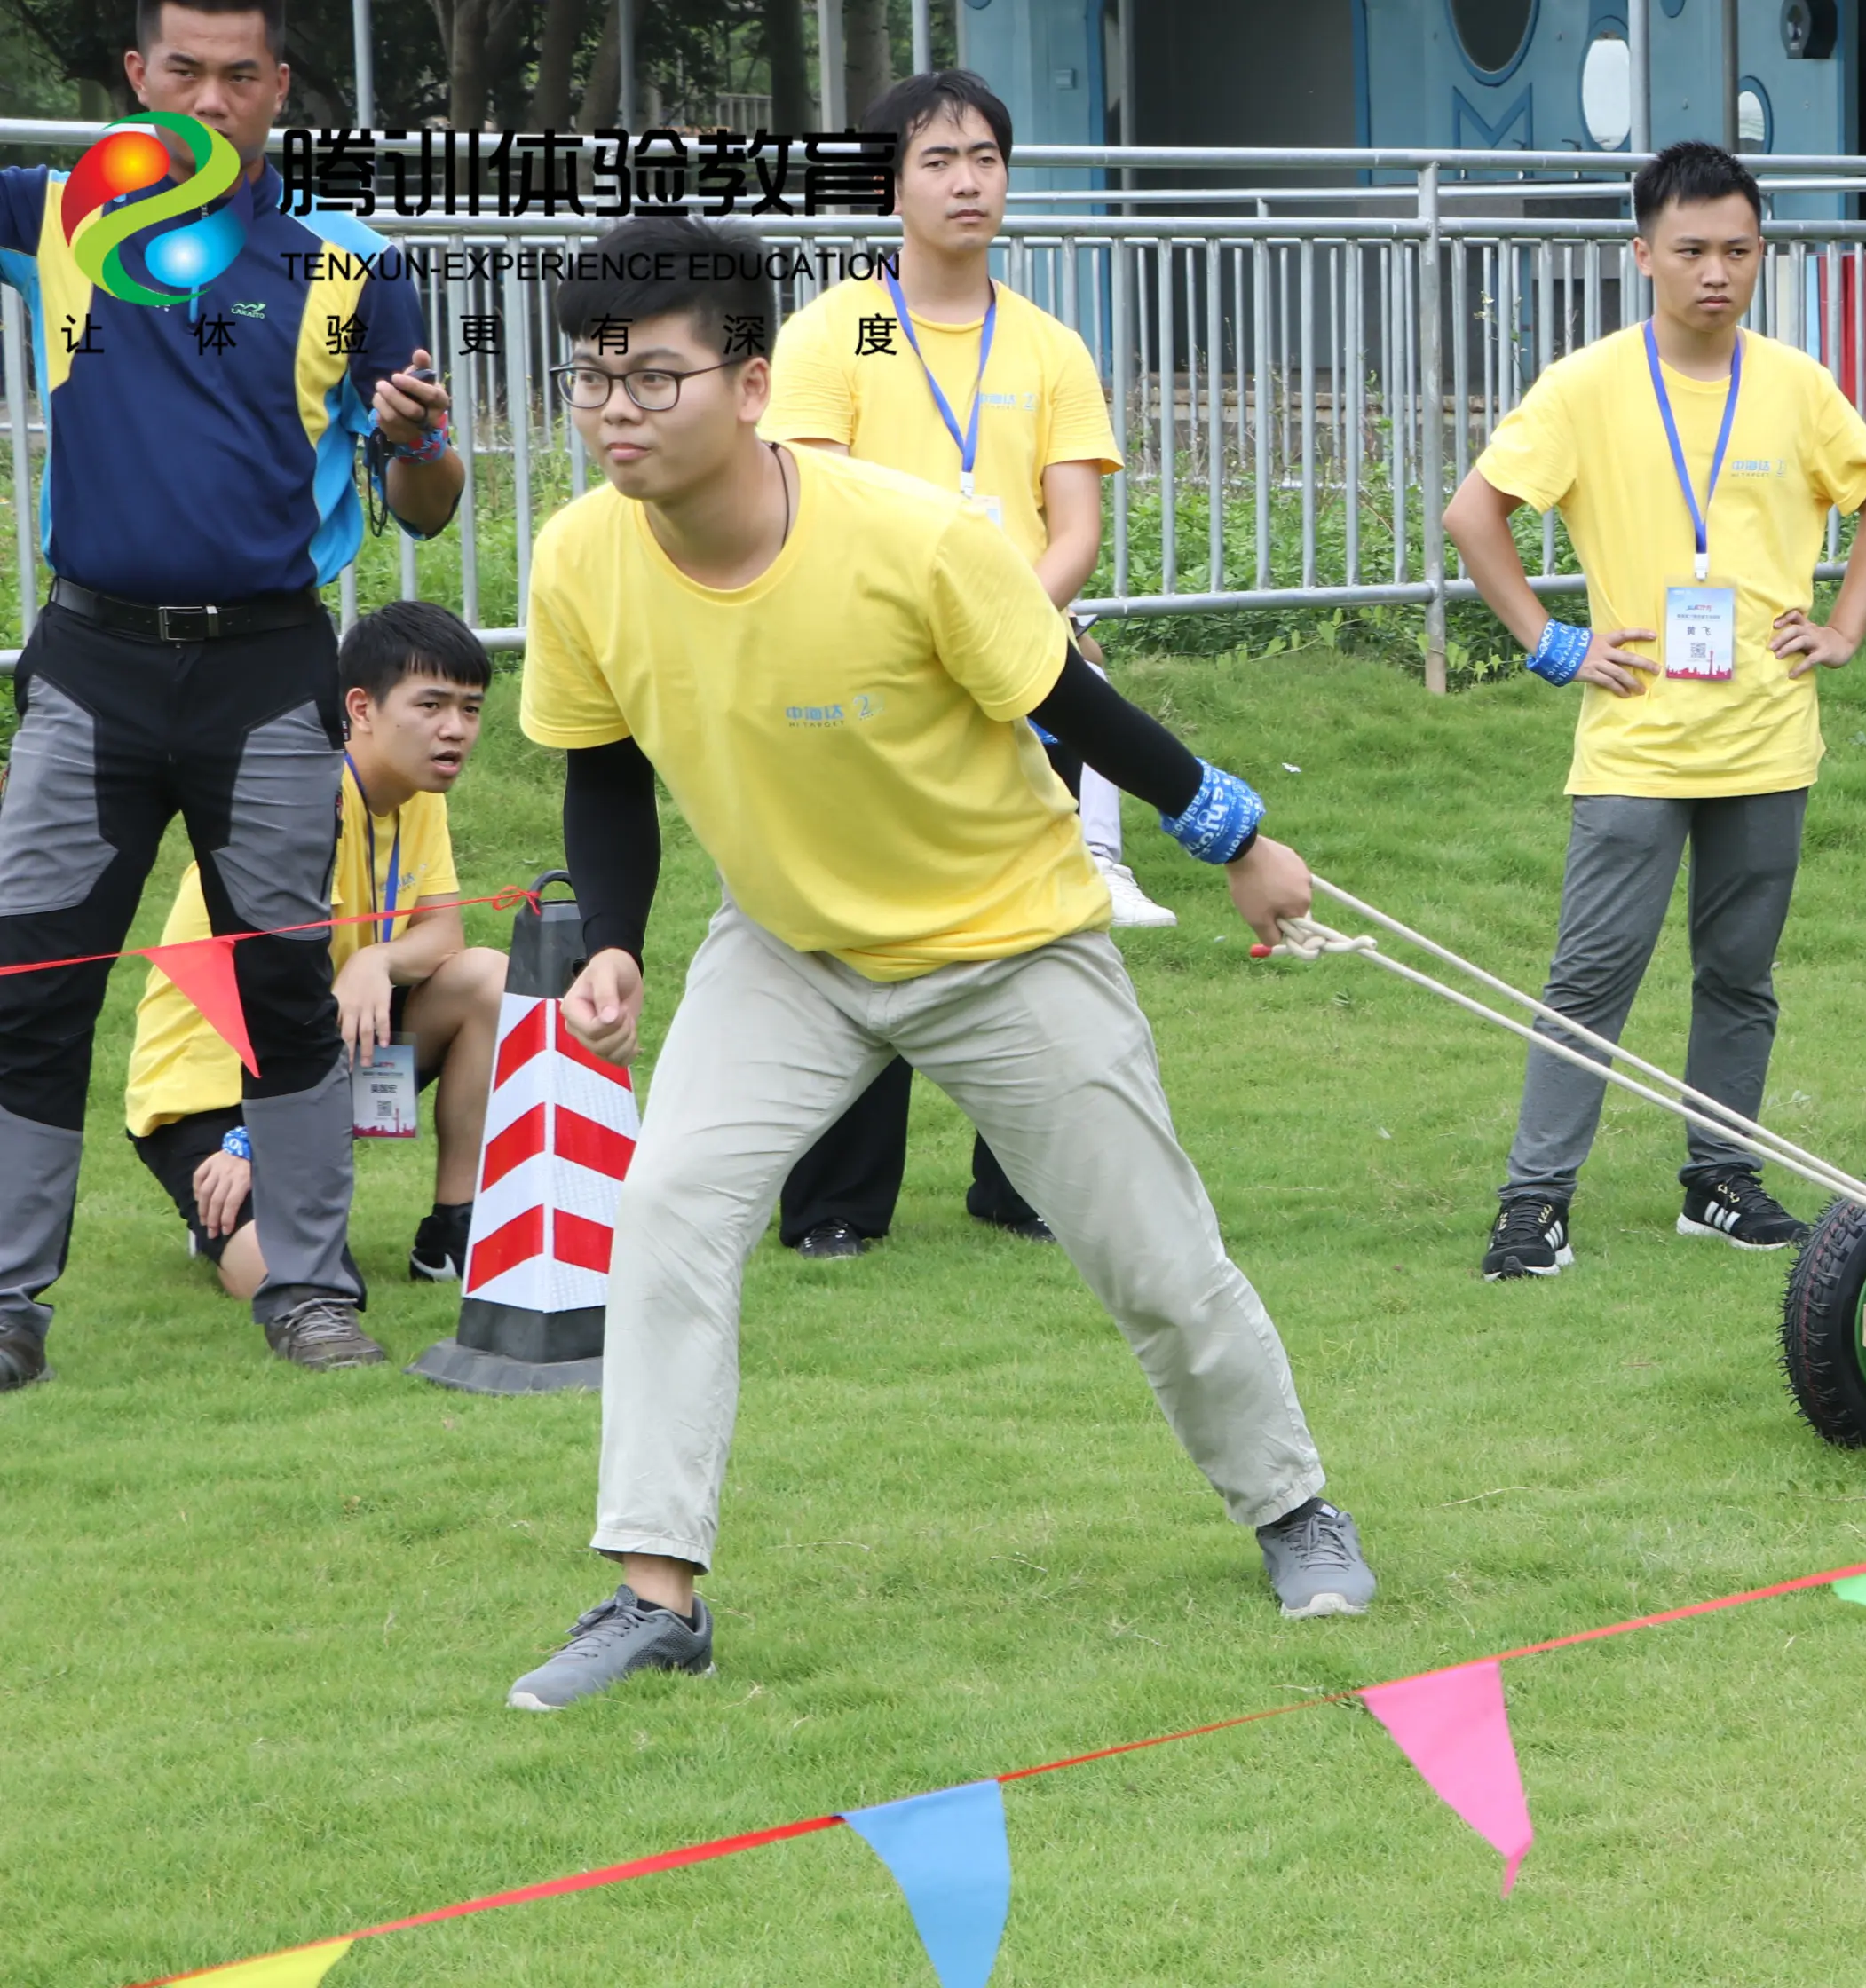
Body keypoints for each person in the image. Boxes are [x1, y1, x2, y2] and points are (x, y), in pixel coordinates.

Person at [502, 217, 1372, 1712]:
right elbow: (599, 769)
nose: (618, 414)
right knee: (666, 1206)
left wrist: (1235, 836)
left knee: (1154, 1260)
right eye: (592, 382)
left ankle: (1296, 1513)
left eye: (654, 377)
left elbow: (1070, 705)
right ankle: (656, 1597)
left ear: (752, 382)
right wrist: (614, 944)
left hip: (1003, 941)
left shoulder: (914, 538)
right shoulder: (580, 556)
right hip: (787, 946)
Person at [0, 0, 464, 1387]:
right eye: (182, 71)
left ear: (280, 88)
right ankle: (11, 1301)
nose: (210, 99)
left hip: (269, 669)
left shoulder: (353, 261)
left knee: (284, 988)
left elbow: (428, 508)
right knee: (29, 981)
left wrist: (421, 434)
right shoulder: (60, 215)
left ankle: (313, 1294)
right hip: (88, 662)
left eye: (240, 75)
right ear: (136, 77)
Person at [1441, 140, 1866, 1282]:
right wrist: (1554, 643)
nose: (1716, 271)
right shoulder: (1588, 383)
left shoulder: (1796, 385)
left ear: (1762, 256)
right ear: (1641, 254)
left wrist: (1843, 629)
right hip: (1637, 740)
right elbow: (1474, 514)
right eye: (1691, 250)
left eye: (1737, 250)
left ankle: (1721, 1177)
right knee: (1590, 975)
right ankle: (1534, 1202)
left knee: (1739, 972)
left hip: (1766, 734)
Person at [761, 67, 1151, 1258]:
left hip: (1022, 672)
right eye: (939, 159)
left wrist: (1004, 634)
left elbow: (1073, 524)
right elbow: (810, 505)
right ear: (888, 183)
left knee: (1024, 924)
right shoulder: (833, 332)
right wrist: (931, 642)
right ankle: (836, 1203)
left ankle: (1021, 1182)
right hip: (873, 674)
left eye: (985, 157)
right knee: (863, 922)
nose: (968, 180)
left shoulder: (1048, 344)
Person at [121, 604, 510, 1331]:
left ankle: (455, 1230)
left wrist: (378, 959)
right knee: (305, 1282)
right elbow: (274, 995)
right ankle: (226, 1205)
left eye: (469, 708)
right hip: (213, 1084)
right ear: (359, 707)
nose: (455, 728)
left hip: (323, 1042)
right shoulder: (297, 799)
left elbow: (447, 934)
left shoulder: (419, 795)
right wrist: (247, 1142)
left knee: (488, 976)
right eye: (430, 706)